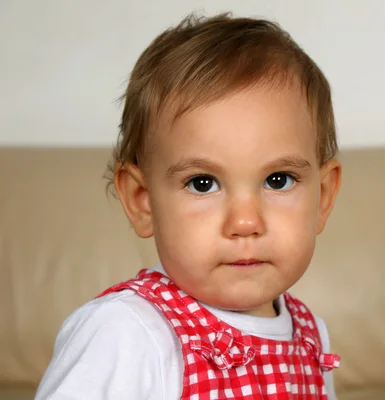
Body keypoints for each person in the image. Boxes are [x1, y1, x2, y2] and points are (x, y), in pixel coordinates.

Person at [35, 11, 342, 400]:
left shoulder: (310, 333)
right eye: (203, 183)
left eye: (277, 180)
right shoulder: (127, 332)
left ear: (324, 197)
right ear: (142, 201)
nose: (245, 222)